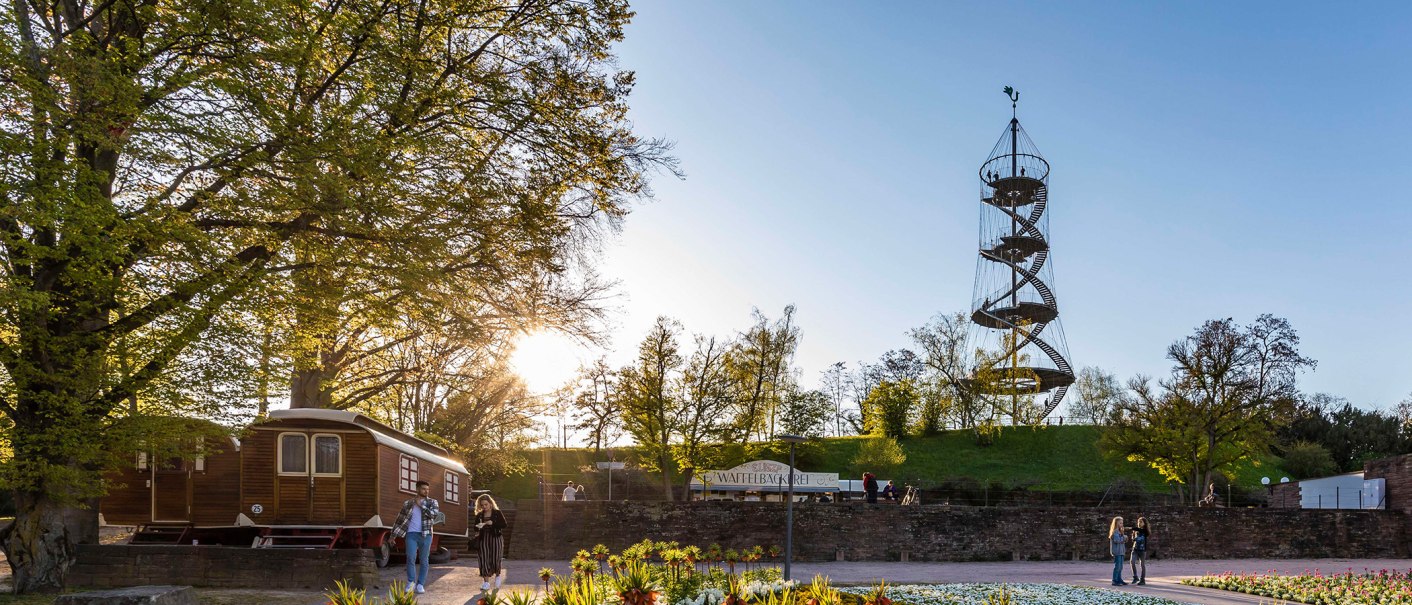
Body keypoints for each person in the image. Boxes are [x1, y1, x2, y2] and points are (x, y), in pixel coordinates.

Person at [391, 480, 442, 595]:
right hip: (411, 534)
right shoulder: (408, 503)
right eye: (424, 489)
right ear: (417, 489)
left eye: (428, 489)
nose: (426, 491)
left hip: (426, 534)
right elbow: (399, 520)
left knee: (424, 560)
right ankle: (411, 583)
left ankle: (420, 584)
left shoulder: (433, 502)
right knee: (410, 557)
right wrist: (392, 535)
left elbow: (434, 515)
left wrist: (422, 506)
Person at [474, 494, 509, 591]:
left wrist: (493, 523)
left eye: (486, 504)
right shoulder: (480, 515)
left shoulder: (497, 513)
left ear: (490, 503)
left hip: (496, 538)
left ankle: (497, 576)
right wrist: (478, 526)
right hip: (483, 538)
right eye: (482, 505)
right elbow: (475, 527)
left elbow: (504, 524)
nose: (484, 507)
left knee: (496, 558)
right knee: (483, 559)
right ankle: (486, 583)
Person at [1129, 517, 1151, 585]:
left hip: (1142, 550)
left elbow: (1142, 531)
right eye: (1138, 522)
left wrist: (1130, 528)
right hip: (1135, 549)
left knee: (1142, 565)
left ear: (1144, 523)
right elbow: (1133, 539)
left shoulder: (1145, 531)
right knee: (1132, 562)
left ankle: (1142, 579)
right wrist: (1133, 538)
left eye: (1141, 522)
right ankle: (1135, 577)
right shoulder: (1136, 530)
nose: (1139, 523)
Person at [1107, 516, 1128, 586]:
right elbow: (1117, 540)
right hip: (1117, 552)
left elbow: (1123, 540)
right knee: (1117, 566)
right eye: (1120, 523)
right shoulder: (1115, 531)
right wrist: (1124, 537)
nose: (1121, 525)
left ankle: (1119, 579)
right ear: (1116, 524)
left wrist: (1124, 537)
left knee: (1121, 567)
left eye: (1122, 523)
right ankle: (1114, 580)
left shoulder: (1120, 531)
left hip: (1121, 551)